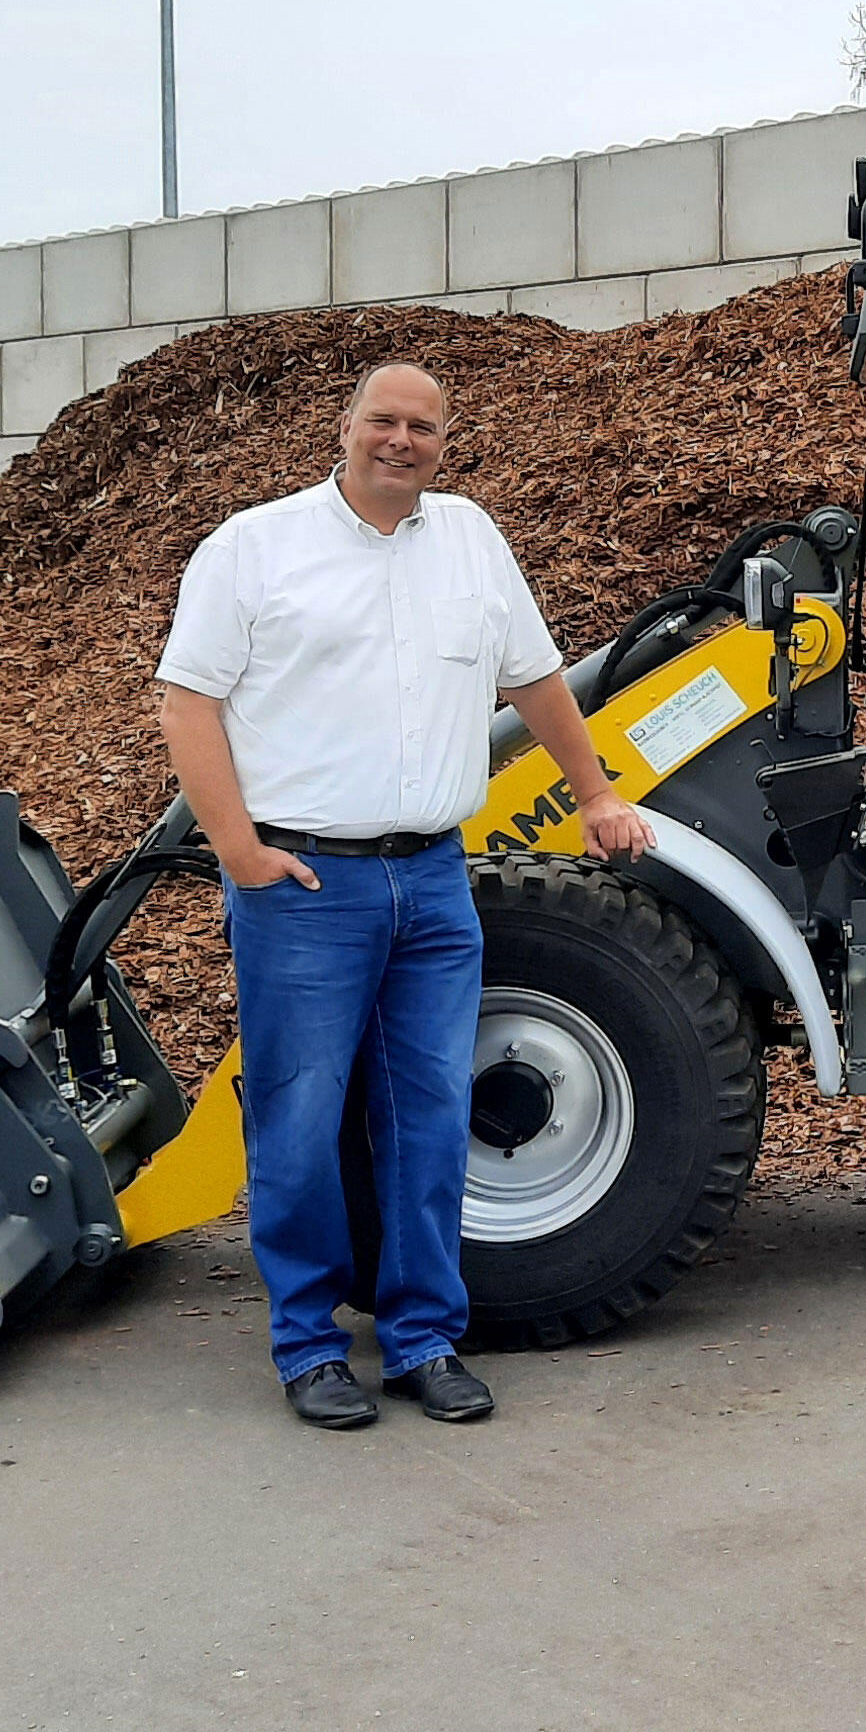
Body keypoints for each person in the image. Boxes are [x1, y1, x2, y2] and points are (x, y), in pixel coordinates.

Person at [154, 362, 655, 1429]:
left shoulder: (469, 539)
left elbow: (535, 679)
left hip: (432, 879)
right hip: (306, 886)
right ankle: (308, 1347)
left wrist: (597, 791)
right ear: (345, 428)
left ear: (444, 440)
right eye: (382, 420)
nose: (400, 439)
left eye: (421, 426)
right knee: (298, 1121)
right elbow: (187, 702)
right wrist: (237, 848)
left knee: (429, 1118)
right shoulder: (255, 547)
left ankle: (424, 1338)